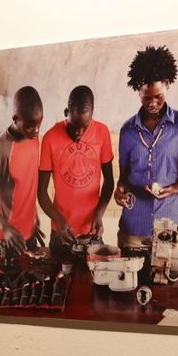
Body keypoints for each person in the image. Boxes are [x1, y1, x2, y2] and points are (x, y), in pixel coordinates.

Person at [112, 45, 178, 249]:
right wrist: (119, 190)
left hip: (170, 224)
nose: (152, 103)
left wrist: (171, 189)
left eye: (158, 96)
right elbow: (124, 176)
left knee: (169, 279)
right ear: (138, 90)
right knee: (131, 279)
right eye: (146, 97)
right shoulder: (128, 130)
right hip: (134, 226)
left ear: (167, 84)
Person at [38, 85, 115, 248]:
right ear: (67, 113)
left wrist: (99, 215)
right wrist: (59, 220)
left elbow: (109, 181)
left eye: (85, 127)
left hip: (92, 232)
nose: (79, 132)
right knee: (58, 273)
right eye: (74, 126)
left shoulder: (102, 132)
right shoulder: (50, 138)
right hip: (61, 232)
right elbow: (41, 191)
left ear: (92, 117)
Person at [0, 86, 44, 259]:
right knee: (8, 286)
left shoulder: (33, 137)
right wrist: (6, 228)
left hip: (29, 232)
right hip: (7, 237)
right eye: (31, 127)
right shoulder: (3, 148)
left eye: (39, 125)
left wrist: (33, 217)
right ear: (16, 119)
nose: (36, 131)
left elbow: (26, 182)